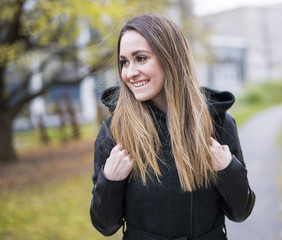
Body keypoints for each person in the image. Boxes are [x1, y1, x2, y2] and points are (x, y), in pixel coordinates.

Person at [90, 14, 255, 240]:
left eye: (140, 58)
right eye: (124, 62)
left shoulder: (217, 123)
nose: (129, 72)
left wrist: (227, 168)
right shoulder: (115, 131)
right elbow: (105, 226)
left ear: (170, 58)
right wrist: (110, 180)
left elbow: (240, 212)